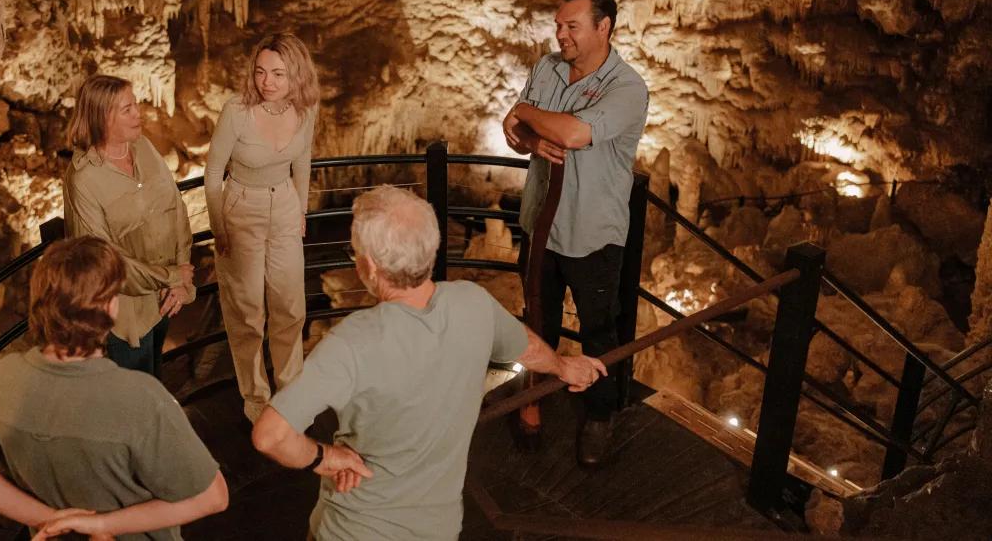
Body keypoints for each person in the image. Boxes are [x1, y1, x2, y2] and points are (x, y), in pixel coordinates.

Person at [250, 186, 606, 541]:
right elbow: (525, 345)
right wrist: (563, 366)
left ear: (370, 267)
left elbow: (270, 435)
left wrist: (323, 457)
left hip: (353, 529)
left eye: (355, 252)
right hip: (437, 530)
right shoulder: (474, 305)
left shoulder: (354, 342)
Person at [0, 236, 228, 540]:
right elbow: (212, 497)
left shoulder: (4, 378)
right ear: (108, 307)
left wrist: (50, 519)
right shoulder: (141, 397)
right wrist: (101, 525)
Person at [501, 0, 649, 466]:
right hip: (541, 222)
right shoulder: (547, 67)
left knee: (598, 331)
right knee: (537, 317)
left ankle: (601, 415)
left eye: (572, 26)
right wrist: (525, 134)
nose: (560, 34)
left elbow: (571, 132)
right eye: (559, 25)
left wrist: (524, 113)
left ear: (603, 27)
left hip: (592, 234)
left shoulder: (626, 88)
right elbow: (517, 138)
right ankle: (533, 401)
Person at [204, 32, 319, 422]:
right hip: (241, 208)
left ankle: (291, 391)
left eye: (278, 74)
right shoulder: (236, 111)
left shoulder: (306, 109)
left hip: (284, 205)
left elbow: (302, 162)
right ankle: (256, 397)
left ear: (296, 76)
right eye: (260, 72)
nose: (266, 82)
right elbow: (213, 173)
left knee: (290, 305)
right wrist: (219, 227)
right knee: (248, 310)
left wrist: (300, 210)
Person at [63, 74, 195, 379]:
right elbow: (104, 258)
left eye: (135, 105)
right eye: (127, 109)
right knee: (132, 396)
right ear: (102, 118)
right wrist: (173, 275)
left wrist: (180, 271)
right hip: (123, 315)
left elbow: (174, 206)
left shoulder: (144, 148)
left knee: (155, 380)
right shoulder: (84, 180)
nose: (139, 113)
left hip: (164, 297)